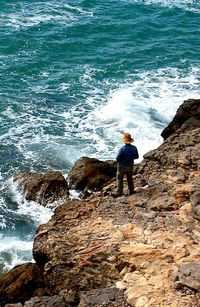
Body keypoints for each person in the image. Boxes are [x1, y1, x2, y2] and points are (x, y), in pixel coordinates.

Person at [113, 132, 139, 197]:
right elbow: (136, 157)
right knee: (130, 179)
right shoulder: (134, 148)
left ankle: (119, 193)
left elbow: (117, 158)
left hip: (122, 167)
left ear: (124, 141)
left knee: (120, 179)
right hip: (130, 166)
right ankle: (132, 191)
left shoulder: (122, 149)